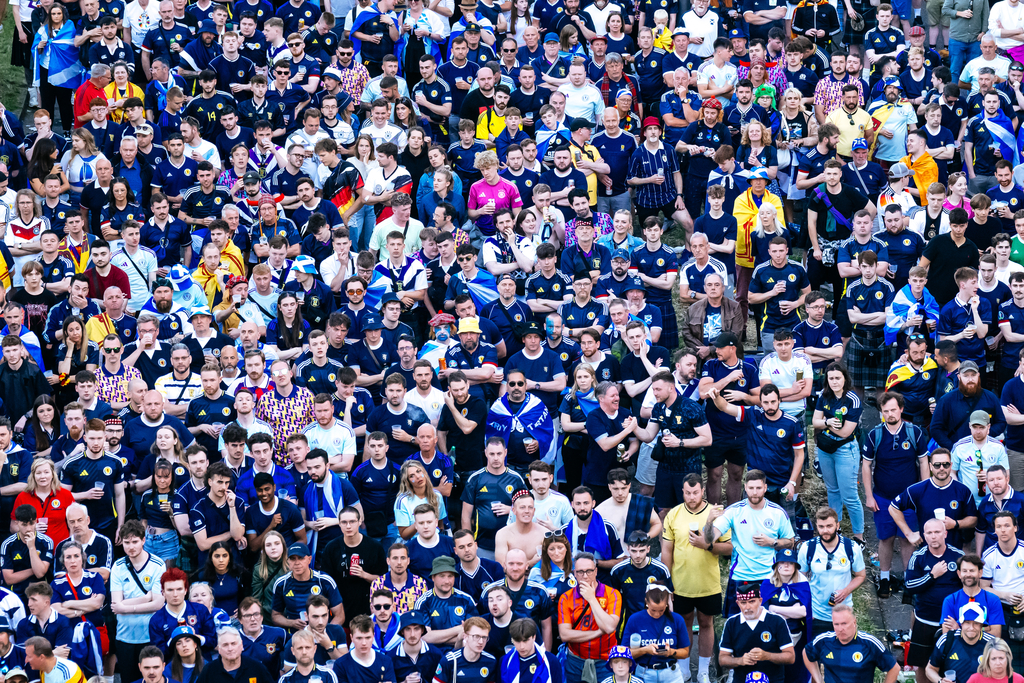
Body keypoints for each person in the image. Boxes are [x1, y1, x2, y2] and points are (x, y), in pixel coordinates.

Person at [705, 471, 796, 617]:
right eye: (751, 488)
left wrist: (771, 542)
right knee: (738, 626)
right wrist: (709, 522)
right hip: (741, 577)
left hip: (769, 577)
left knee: (767, 626)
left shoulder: (777, 512)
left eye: (758, 488)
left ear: (765, 488)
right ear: (745, 488)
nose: (754, 493)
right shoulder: (734, 511)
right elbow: (710, 539)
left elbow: (790, 543)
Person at [557, 552, 622, 683]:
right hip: (575, 661)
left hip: (605, 661)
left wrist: (592, 598)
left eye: (589, 571)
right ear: (574, 573)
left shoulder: (612, 594)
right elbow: (565, 635)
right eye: (580, 572)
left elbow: (609, 627)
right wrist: (598, 632)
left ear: (596, 571)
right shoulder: (566, 598)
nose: (585, 576)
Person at [719, 580, 795, 683]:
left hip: (773, 680)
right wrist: (740, 660)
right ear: (738, 603)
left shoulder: (777, 621)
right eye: (743, 603)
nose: (748, 607)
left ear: (760, 601)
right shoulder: (732, 623)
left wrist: (767, 656)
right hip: (741, 680)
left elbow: (790, 657)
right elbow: (722, 659)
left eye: (752, 602)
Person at [802, 605, 900, 683]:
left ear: (854, 622)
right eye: (836, 624)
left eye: (844, 623)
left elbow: (894, 668)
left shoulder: (869, 644)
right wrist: (818, 679)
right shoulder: (824, 641)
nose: (840, 629)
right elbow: (806, 653)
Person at [928, 603, 997, 683]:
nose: (971, 628)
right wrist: (940, 681)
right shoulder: (947, 640)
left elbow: (1004, 674)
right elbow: (930, 669)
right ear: (961, 623)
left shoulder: (993, 644)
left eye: (976, 623)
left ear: (982, 625)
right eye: (967, 622)